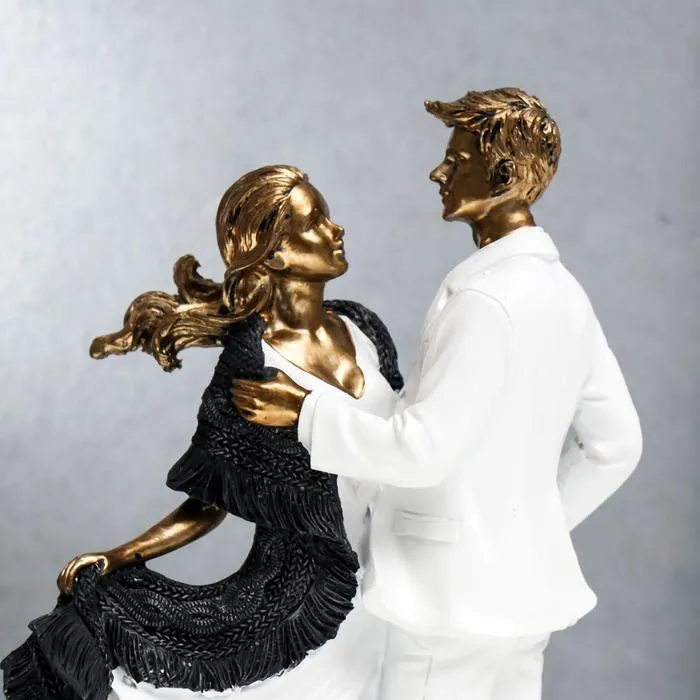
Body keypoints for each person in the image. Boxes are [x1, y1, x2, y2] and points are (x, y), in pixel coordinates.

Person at [231, 89, 644, 700]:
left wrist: (307, 414)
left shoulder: (484, 301)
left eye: (457, 160)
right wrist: (524, 530)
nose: (439, 172)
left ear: (502, 175)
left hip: (447, 597)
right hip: (521, 597)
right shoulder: (566, 295)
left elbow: (423, 451)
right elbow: (617, 446)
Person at [1, 165, 403, 700]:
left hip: (396, 572)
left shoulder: (362, 327)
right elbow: (209, 503)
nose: (336, 229)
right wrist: (122, 555)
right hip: (304, 598)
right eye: (315, 221)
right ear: (275, 255)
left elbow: (409, 441)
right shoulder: (254, 364)